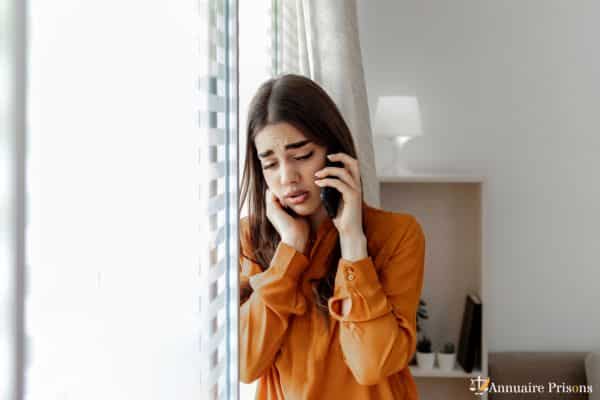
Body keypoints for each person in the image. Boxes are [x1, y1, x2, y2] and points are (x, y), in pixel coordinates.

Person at [239, 73, 426, 399]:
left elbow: (371, 365)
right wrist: (290, 252)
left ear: (334, 152)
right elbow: (244, 363)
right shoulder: (249, 240)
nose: (287, 177)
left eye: (302, 156)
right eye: (270, 164)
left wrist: (352, 241)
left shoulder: (398, 235)